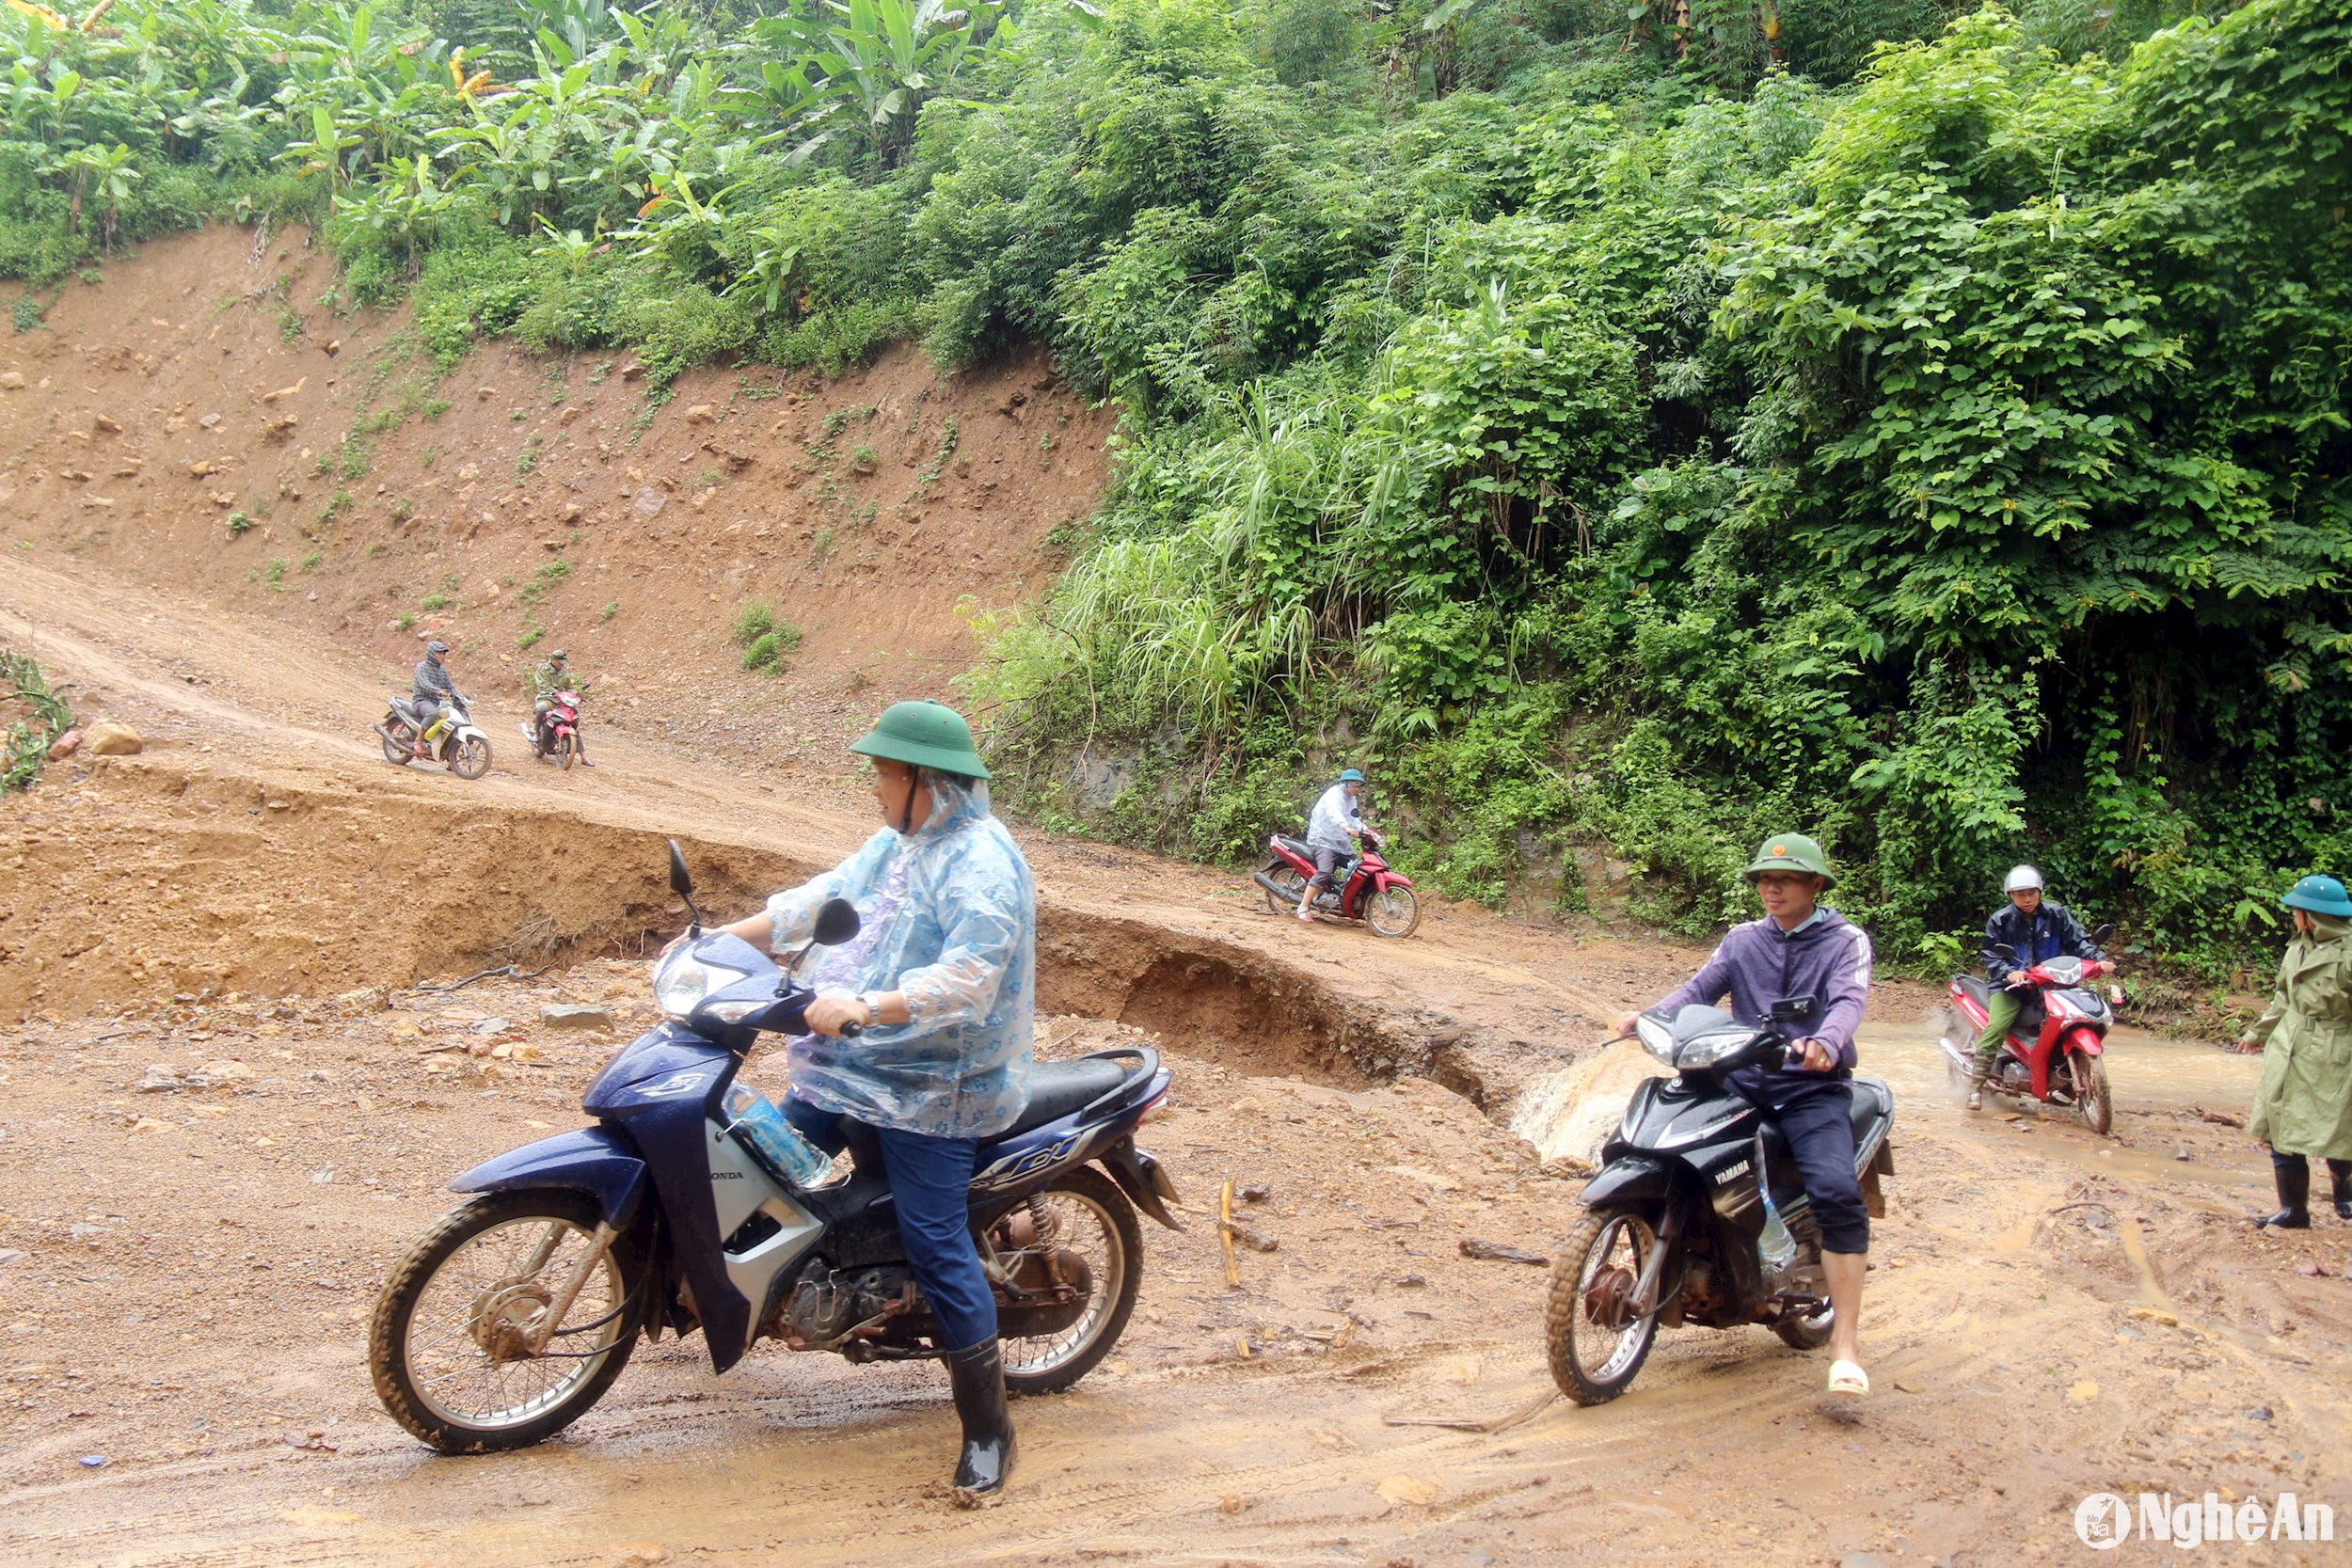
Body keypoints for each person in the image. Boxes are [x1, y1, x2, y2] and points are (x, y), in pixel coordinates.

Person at [691, 700, 1033, 1502]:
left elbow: (968, 978)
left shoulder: (984, 863)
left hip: (935, 1088)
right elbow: (823, 898)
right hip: (853, 1066)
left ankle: (990, 1430)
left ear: (926, 781)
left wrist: (867, 1006)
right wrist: (721, 942)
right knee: (750, 1160)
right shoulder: (901, 843)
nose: (876, 789)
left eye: (884, 774)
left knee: (936, 1241)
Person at [1613, 832, 1876, 1396]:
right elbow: (1699, 989)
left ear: (1815, 885)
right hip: (1742, 1081)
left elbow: (1850, 999)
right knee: (1670, 1152)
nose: (1770, 887)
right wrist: (1649, 1017)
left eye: (1784, 878)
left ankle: (1846, 1346)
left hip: (1812, 1089)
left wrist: (1827, 1040)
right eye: (1762, 879)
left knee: (1836, 1192)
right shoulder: (1742, 939)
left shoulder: (1844, 940)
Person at [2235, 875, 2352, 1229]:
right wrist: (2258, 1032)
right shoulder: (2297, 948)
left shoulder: (2348, 955)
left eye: (2296, 911)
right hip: (2289, 1046)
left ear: (2313, 915)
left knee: (2339, 1128)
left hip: (2335, 1050)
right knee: (2281, 1125)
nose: (2293, 918)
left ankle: (2345, 1197)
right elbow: (2284, 998)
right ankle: (2293, 1210)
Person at [1967, 865, 2112, 1110]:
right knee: (1997, 1027)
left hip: (2051, 984)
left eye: (2031, 893)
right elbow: (1991, 956)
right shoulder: (2000, 920)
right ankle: (1975, 1088)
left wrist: (2098, 959)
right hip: (2011, 988)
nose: (2027, 898)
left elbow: (2079, 942)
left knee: (2075, 1017)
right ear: (2011, 895)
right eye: (2020, 894)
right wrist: (2009, 973)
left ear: (2040, 892)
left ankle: (2061, 1071)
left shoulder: (2057, 915)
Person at [1296, 768, 1367, 924]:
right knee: (1325, 871)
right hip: (1322, 839)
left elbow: (1354, 818)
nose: (1357, 789)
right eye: (1355, 785)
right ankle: (1303, 907)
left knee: (1356, 869)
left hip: (1340, 841)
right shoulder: (1333, 795)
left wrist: (1366, 831)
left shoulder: (1351, 799)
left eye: (1359, 786)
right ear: (1346, 783)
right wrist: (1346, 827)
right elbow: (1334, 814)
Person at [525, 648, 593, 767]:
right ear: (553, 660)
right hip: (547, 699)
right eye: (560, 662)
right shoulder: (543, 670)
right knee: (541, 709)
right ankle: (536, 733)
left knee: (573, 721)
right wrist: (556, 693)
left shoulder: (564, 673)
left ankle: (583, 756)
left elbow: (568, 687)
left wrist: (575, 693)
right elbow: (543, 685)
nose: (562, 665)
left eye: (563, 663)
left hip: (562, 701)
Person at [408, 641, 462, 759]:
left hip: (436, 702)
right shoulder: (422, 667)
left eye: (443, 654)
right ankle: (418, 741)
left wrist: (458, 697)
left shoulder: (442, 671)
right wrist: (438, 691)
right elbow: (424, 684)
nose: (442, 656)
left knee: (452, 721)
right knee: (433, 713)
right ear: (431, 654)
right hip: (422, 700)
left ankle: (450, 756)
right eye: (439, 653)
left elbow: (450, 686)